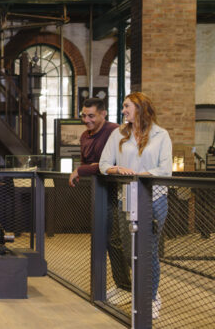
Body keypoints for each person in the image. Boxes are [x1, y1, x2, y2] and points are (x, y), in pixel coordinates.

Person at [99, 92, 172, 319]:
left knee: (148, 250)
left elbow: (165, 169)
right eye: (123, 106)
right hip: (127, 198)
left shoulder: (162, 135)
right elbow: (103, 164)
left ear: (140, 108)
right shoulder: (117, 134)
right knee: (131, 251)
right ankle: (140, 290)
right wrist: (118, 169)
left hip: (155, 199)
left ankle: (150, 298)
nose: (123, 111)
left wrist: (140, 177)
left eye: (126, 106)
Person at [68, 98, 130, 304]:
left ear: (104, 114)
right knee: (101, 239)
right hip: (98, 192)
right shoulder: (85, 136)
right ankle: (114, 284)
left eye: (91, 116)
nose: (86, 120)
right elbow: (90, 164)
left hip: (116, 193)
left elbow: (108, 164)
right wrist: (87, 168)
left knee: (114, 240)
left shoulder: (115, 131)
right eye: (83, 116)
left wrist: (81, 169)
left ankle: (126, 287)